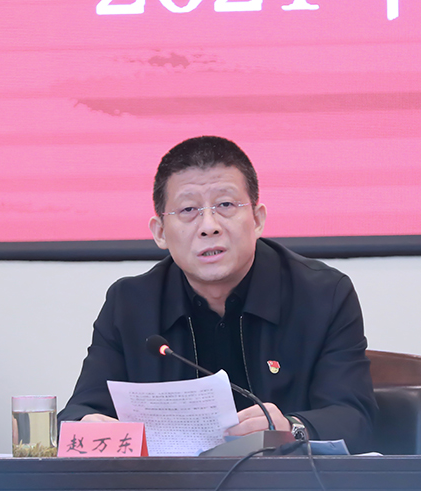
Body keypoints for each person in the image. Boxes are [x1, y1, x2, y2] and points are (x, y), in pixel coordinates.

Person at [58, 136, 377, 453]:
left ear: (257, 219)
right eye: (188, 209)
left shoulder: (322, 295)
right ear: (160, 232)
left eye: (225, 205)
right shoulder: (130, 305)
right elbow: (76, 415)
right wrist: (88, 425)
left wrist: (292, 428)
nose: (209, 226)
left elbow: (354, 419)